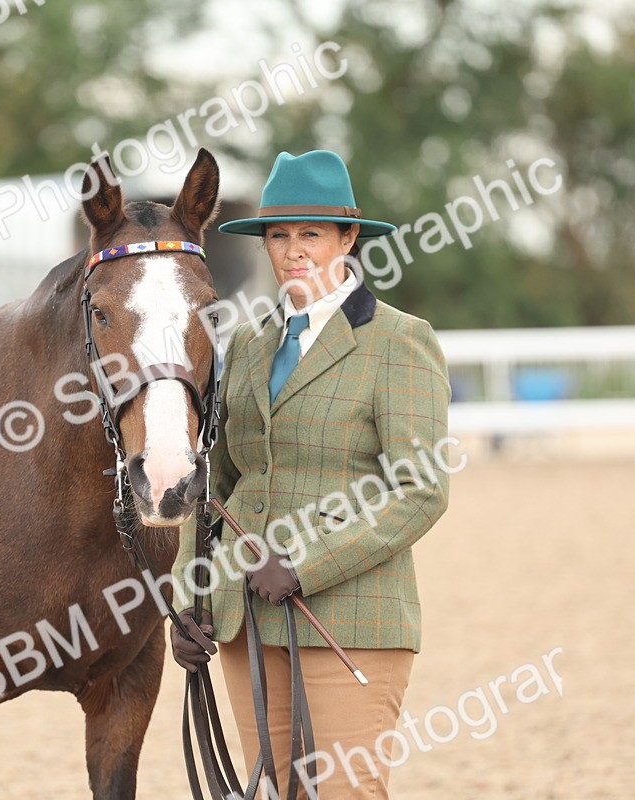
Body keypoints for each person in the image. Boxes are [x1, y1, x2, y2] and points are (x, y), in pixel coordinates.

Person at [170, 150, 452, 799]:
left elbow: (421, 489)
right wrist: (190, 596)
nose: (292, 251)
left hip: (349, 621)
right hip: (244, 620)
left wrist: (304, 565)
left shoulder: (397, 342)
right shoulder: (246, 344)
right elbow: (213, 487)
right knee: (269, 792)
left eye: (311, 235)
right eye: (279, 235)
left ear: (348, 239)